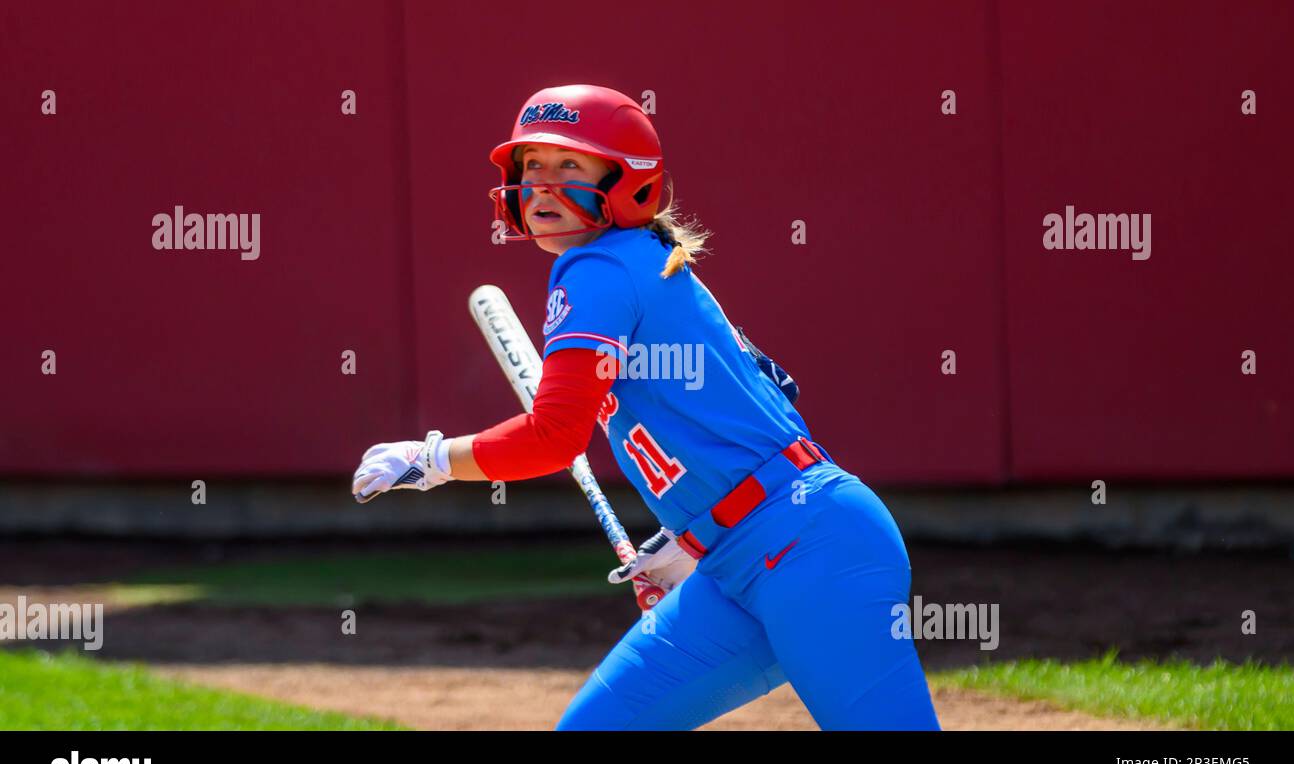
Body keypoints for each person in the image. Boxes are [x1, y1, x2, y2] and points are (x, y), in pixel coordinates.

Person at [351, 84, 941, 730]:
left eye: (569, 164)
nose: (543, 184)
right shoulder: (644, 262)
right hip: (735, 564)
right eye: (533, 166)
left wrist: (432, 459)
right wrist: (688, 537)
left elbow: (554, 435)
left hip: (810, 550)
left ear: (625, 179)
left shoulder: (599, 268)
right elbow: (749, 413)